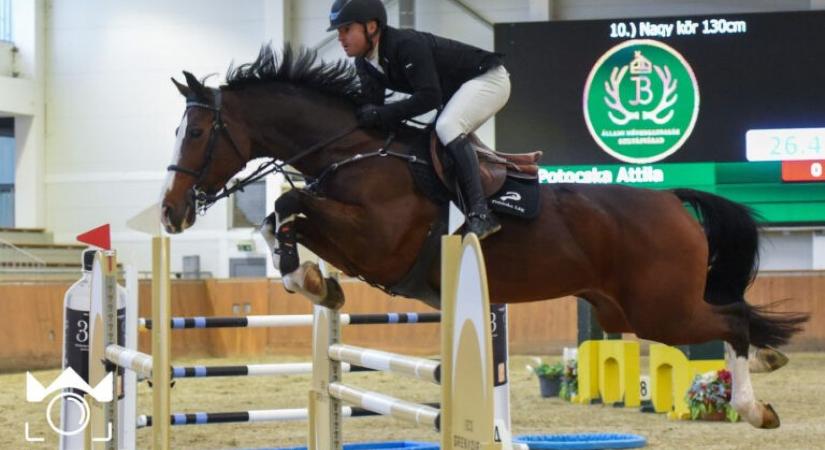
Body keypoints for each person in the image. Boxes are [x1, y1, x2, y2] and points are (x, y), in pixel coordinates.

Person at [328, 0, 510, 240]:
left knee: (448, 127)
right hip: (456, 91)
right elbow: (373, 109)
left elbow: (429, 97)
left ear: (371, 27)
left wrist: (380, 114)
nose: (340, 38)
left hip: (489, 80)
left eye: (346, 29)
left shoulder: (405, 44)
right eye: (339, 32)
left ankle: (481, 213)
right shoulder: (363, 63)